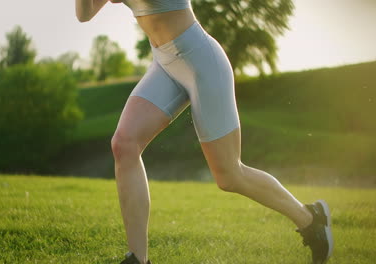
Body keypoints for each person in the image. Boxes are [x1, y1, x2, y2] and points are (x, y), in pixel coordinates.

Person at [75, 0, 333, 263]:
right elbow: (84, 14)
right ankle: (137, 259)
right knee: (124, 144)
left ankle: (310, 219)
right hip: (165, 63)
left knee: (230, 175)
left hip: (202, 62)